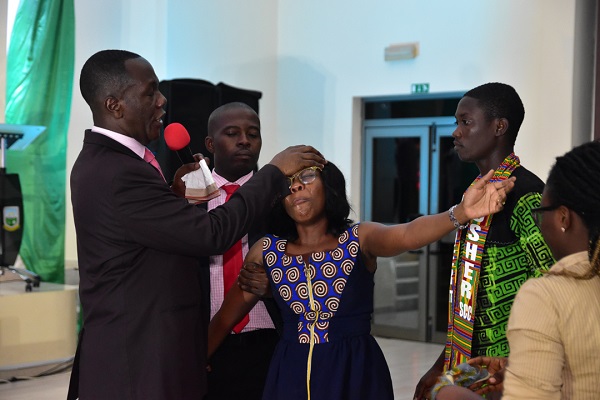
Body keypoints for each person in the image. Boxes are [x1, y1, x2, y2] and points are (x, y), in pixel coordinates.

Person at [68, 49, 325, 400]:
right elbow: (211, 234)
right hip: (139, 360)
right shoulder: (118, 171)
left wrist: (173, 200)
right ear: (115, 105)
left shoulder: (116, 163)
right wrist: (273, 172)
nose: (162, 101)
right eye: (150, 92)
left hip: (185, 349)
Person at [208, 160, 514, 400]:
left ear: (330, 185)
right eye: (287, 183)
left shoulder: (359, 238)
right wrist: (196, 362)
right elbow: (224, 318)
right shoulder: (266, 251)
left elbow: (407, 234)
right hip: (290, 372)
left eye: (307, 177)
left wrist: (461, 212)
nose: (296, 186)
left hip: (354, 370)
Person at [413, 82, 555, 400]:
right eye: (456, 122)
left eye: (466, 122)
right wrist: (442, 363)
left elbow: (553, 291)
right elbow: (469, 299)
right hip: (470, 367)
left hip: (509, 373)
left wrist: (519, 369)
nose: (456, 132)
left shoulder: (527, 195)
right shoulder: (476, 194)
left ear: (499, 127)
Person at [433, 140, 600, 400]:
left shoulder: (545, 295)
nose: (539, 224)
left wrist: (449, 391)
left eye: (541, 212)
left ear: (563, 218)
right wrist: (521, 366)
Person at [201, 102, 281, 400]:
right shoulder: (187, 198)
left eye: (253, 134)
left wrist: (275, 288)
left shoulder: (280, 200)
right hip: (206, 338)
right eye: (232, 133)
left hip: (269, 337)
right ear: (211, 144)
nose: (244, 140)